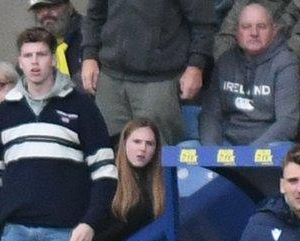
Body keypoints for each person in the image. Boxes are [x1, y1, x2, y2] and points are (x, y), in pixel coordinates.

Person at [0, 27, 116, 241]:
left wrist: (89, 223)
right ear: (20, 61)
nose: (35, 62)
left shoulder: (81, 106)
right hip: (14, 236)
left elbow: (105, 173)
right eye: (28, 56)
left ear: (53, 58)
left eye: (41, 54)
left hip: (66, 234)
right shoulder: (3, 114)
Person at [80, 0, 216, 144]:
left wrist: (196, 65)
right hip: (110, 79)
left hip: (158, 82)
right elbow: (94, 15)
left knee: (157, 154)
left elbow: (204, 24)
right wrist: (89, 56)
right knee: (106, 153)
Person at [199, 2, 300, 145]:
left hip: (267, 147)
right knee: (186, 148)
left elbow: (288, 122)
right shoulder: (225, 61)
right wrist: (213, 153)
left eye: (261, 26)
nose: (254, 33)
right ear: (237, 33)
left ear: (274, 30)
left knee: (284, 149)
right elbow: (210, 115)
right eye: (246, 27)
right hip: (228, 142)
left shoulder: (285, 61)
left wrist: (250, 155)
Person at [89, 118, 166, 241]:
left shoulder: (160, 183)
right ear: (124, 143)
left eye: (150, 144)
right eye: (137, 142)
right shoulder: (107, 179)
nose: (143, 148)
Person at [214, 0, 300, 61]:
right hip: (241, 67)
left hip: (284, 72)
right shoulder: (244, 2)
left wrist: (270, 67)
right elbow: (226, 37)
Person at [28, 0, 84, 88]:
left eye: (52, 6)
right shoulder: (36, 46)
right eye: (39, 9)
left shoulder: (91, 36)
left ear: (69, 7)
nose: (45, 13)